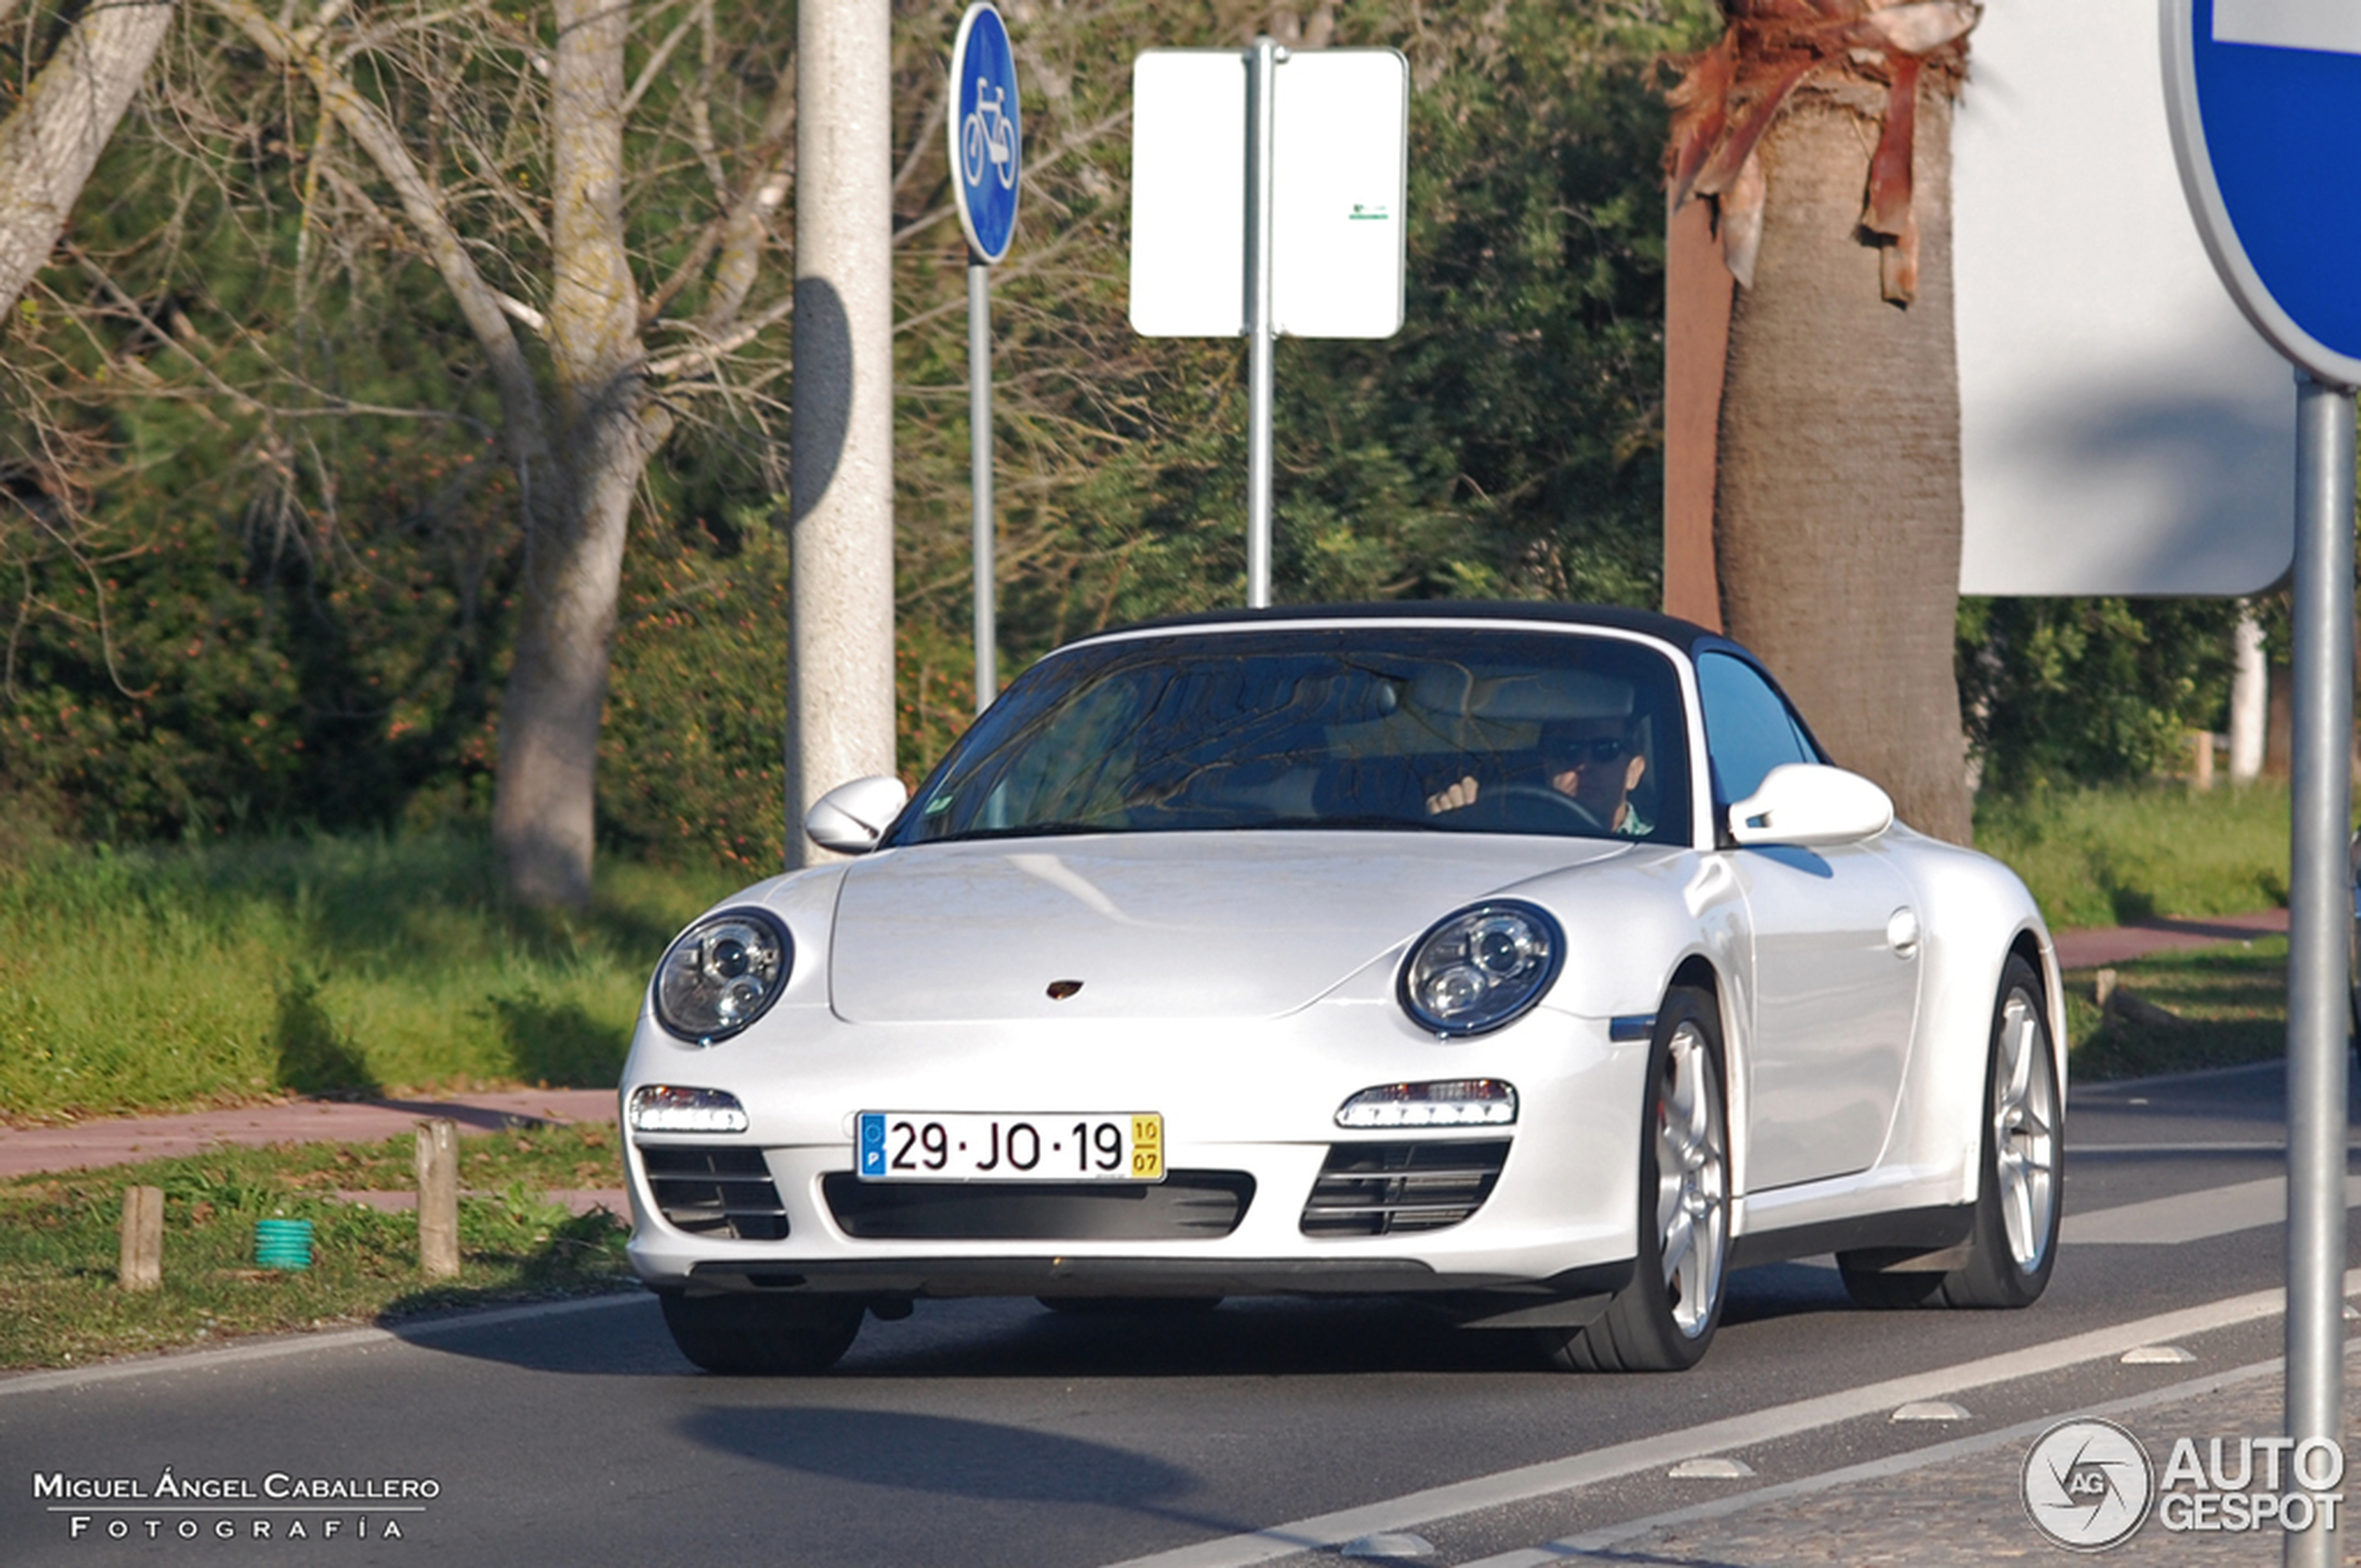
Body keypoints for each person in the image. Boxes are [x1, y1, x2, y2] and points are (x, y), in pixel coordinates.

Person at [1425, 717, 1651, 836]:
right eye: (1567, 750)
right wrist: (1451, 825)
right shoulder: (1506, 834)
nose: (1584, 765)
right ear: (1547, 766)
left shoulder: (1665, 856)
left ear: (1634, 771)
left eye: (1605, 749)